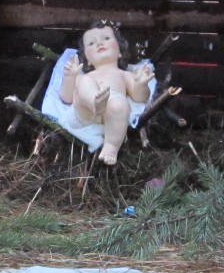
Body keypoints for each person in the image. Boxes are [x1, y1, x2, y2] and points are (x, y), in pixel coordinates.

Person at [58, 21, 155, 165]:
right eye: (91, 43)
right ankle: (95, 102)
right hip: (85, 114)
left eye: (106, 38)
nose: (99, 44)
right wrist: (69, 76)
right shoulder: (85, 75)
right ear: (87, 59)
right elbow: (66, 98)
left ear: (120, 51)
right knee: (84, 82)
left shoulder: (123, 74)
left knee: (119, 103)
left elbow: (139, 98)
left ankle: (111, 146)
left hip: (111, 115)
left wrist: (141, 84)